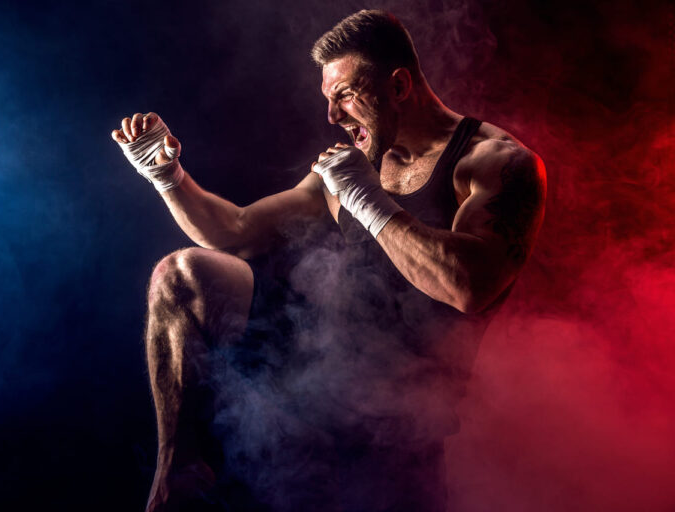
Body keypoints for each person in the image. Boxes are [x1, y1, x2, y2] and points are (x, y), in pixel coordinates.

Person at [111, 10, 546, 512]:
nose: (333, 117)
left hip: (398, 430)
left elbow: (469, 287)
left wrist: (370, 200)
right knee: (180, 275)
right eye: (328, 100)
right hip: (309, 382)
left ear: (399, 85)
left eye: (344, 96)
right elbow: (235, 233)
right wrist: (169, 178)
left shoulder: (497, 163)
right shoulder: (355, 163)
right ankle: (179, 467)